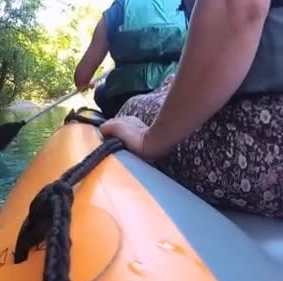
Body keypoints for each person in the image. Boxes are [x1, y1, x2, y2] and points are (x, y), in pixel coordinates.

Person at [101, 0, 283, 218]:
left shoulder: (118, 10)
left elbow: (236, 6)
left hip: (264, 147)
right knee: (168, 84)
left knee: (132, 108)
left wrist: (149, 141)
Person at [74, 0, 188, 118]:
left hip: (126, 98)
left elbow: (81, 78)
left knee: (101, 92)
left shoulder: (119, 8)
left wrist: (86, 83)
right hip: (178, 95)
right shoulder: (193, 7)